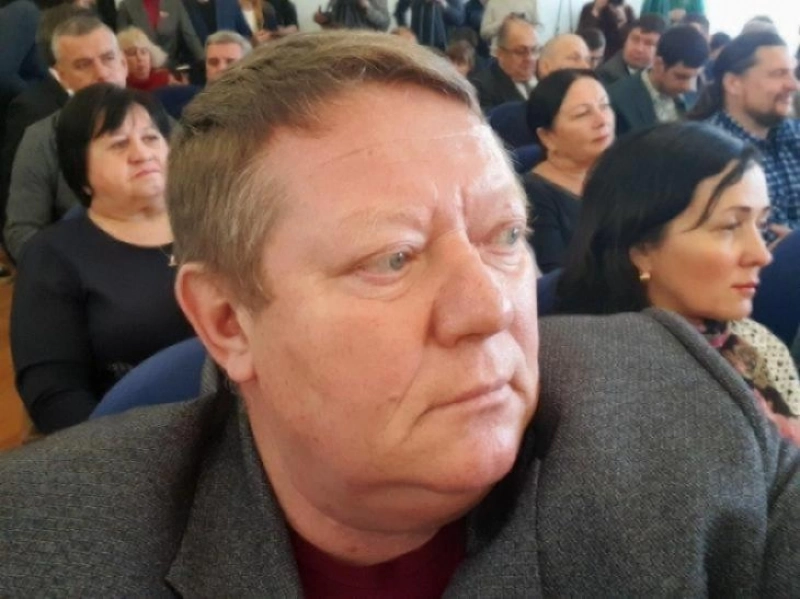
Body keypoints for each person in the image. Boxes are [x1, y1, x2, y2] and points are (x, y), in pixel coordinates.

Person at [0, 32, 799, 596]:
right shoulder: (41, 543)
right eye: (392, 257)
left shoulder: (684, 409)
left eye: (505, 235)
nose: (491, 308)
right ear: (228, 322)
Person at [556, 122, 800, 440]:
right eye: (729, 226)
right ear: (643, 249)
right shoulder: (601, 393)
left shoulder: (752, 343)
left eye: (762, 225)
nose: (762, 255)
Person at [10, 83, 193, 434]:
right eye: (119, 144)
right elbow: (55, 395)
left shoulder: (216, 224)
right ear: (80, 169)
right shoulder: (53, 255)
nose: (142, 153)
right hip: (133, 441)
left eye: (151, 138)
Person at [3, 14, 128, 263]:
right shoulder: (41, 139)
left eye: (108, 58)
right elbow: (22, 232)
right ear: (62, 77)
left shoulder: (162, 123)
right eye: (83, 65)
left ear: (123, 63)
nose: (102, 73)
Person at [689, 32, 800, 238]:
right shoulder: (704, 151)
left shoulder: (795, 134)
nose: (794, 85)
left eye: (793, 73)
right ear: (733, 83)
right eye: (778, 74)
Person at [522, 69, 614, 272]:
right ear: (547, 137)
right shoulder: (532, 197)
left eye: (605, 106)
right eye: (582, 114)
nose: (602, 121)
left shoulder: (627, 169)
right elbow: (557, 281)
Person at [608, 25, 709, 135]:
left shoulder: (697, 95)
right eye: (681, 77)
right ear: (658, 64)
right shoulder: (618, 100)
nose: (690, 87)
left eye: (695, 76)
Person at [470, 15, 538, 111]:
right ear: (500, 54)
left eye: (534, 50)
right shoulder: (481, 89)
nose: (530, 58)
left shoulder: (544, 77)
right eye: (521, 51)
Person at [116, 0, 205, 65]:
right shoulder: (126, 6)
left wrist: (205, 61)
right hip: (140, 68)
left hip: (170, 67)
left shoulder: (175, 4)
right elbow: (121, 43)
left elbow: (190, 37)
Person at [596, 14, 666, 86]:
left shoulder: (666, 78)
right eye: (635, 39)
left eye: (648, 43)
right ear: (625, 40)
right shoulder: (605, 76)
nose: (639, 49)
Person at [393, 0, 463, 51]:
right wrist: (405, 32)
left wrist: (444, 4)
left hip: (441, 48)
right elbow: (399, 12)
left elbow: (459, 20)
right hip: (416, 46)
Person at [117, 26, 172, 90]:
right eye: (132, 53)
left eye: (144, 52)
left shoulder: (166, 80)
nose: (140, 58)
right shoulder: (118, 86)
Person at [313, 0, 390, 31]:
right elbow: (336, 16)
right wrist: (324, 18)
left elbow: (385, 23)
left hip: (366, 47)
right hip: (339, 45)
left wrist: (367, 8)